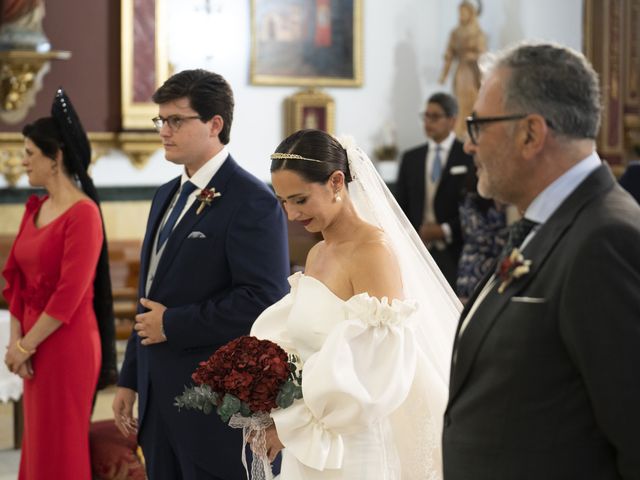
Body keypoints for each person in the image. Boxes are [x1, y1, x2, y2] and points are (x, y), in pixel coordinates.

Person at [443, 42, 640, 479]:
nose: (468, 146)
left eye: (477, 125)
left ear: (531, 134)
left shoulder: (605, 239)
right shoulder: (547, 226)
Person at [250, 129, 461, 479]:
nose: (290, 215)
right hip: (310, 442)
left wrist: (293, 424)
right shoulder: (317, 253)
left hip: (354, 444)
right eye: (282, 201)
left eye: (300, 200)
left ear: (336, 182)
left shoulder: (373, 252)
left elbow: (376, 367)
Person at [112, 69, 290, 480]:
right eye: (161, 120)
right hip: (157, 392)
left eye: (176, 120)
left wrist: (172, 324)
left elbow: (262, 299)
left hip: (210, 401)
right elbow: (150, 293)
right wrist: (130, 378)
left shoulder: (251, 200)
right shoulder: (165, 195)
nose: (164, 131)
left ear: (215, 124)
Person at [2, 88, 117, 479]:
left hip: (66, 346)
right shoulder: (35, 207)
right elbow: (15, 277)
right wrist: (18, 341)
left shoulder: (83, 214)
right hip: (34, 342)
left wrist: (24, 344)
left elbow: (69, 295)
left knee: (60, 445)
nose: (23, 161)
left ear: (56, 158)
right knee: (37, 445)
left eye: (31, 153)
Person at [395, 92, 475, 288]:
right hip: (418, 250)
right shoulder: (411, 158)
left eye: (435, 116)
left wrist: (445, 230)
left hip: (456, 250)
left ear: (452, 120)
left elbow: (475, 204)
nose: (428, 122)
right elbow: (400, 205)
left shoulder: (467, 156)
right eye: (426, 116)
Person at [439, 1, 487, 138]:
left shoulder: (478, 33)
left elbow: (483, 54)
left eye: (464, 12)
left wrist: (472, 56)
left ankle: (472, 132)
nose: (461, 15)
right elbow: (449, 55)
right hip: (461, 73)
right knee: (459, 103)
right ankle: (460, 133)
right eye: (460, 12)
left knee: (473, 102)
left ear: (471, 13)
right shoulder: (455, 33)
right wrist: (444, 75)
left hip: (473, 73)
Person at [455, 190, 508, 302]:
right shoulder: (471, 201)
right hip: (473, 270)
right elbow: (479, 237)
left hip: (499, 269)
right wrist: (505, 242)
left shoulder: (507, 202)